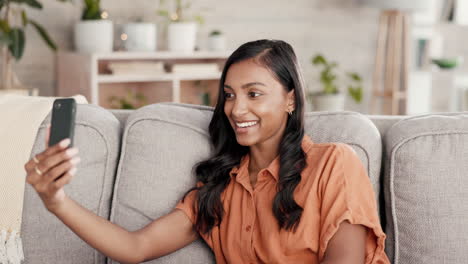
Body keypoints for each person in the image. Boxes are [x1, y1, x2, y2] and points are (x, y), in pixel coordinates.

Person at [24, 39, 390, 264]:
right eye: (229, 95)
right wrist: (56, 201)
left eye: (254, 93)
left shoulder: (334, 163)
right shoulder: (220, 191)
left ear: (290, 98)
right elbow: (136, 247)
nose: (237, 109)